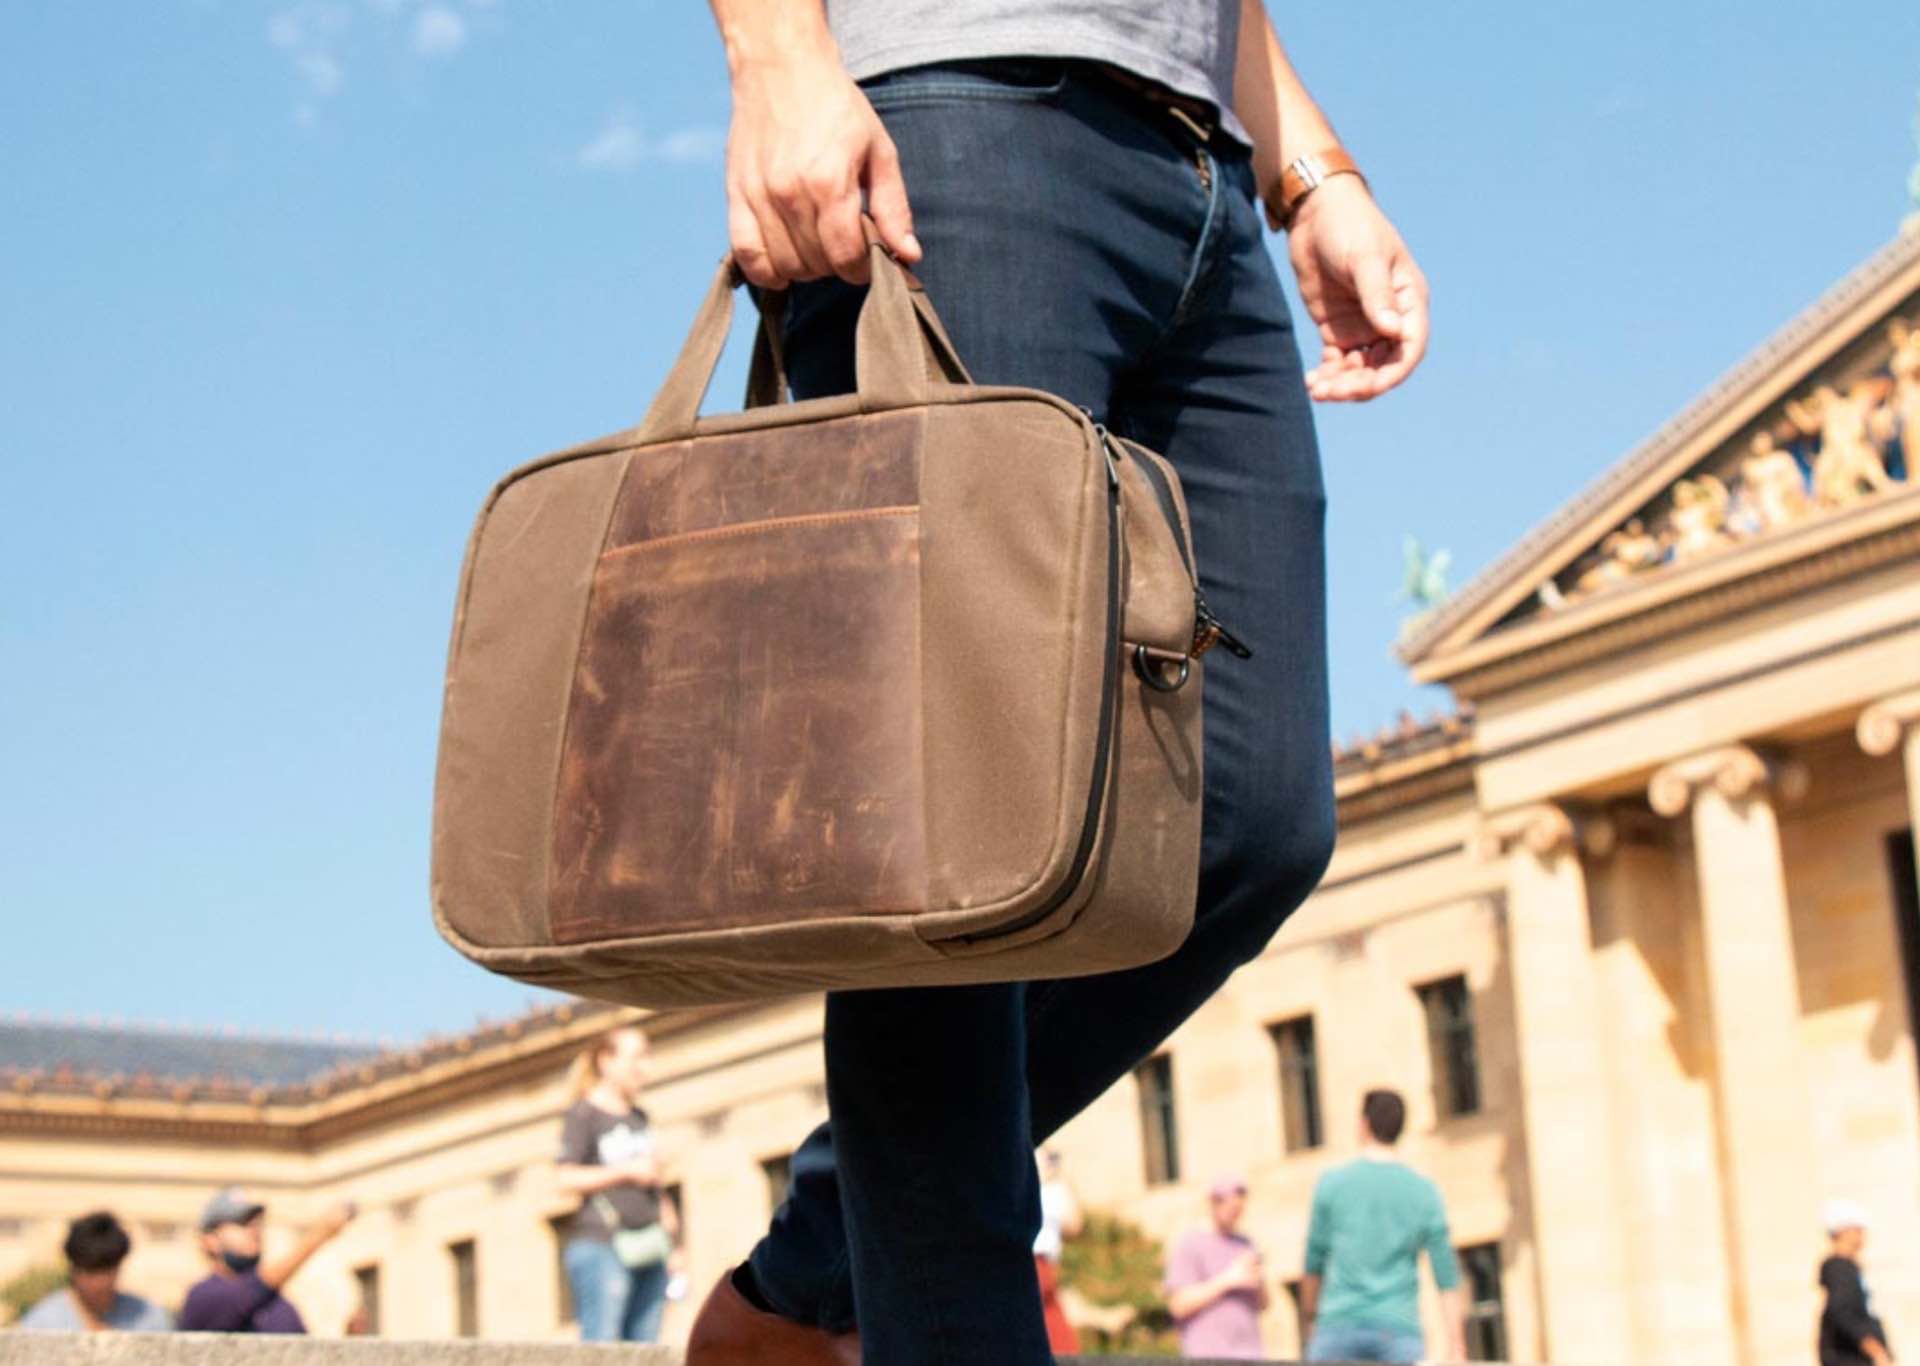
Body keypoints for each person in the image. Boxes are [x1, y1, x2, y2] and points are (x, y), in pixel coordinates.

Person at [686, 0, 1428, 1360]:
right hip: (960, 118)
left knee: (1256, 820)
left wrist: (1308, 171)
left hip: (1201, 168)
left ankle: (819, 1250)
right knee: (965, 840)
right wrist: (779, 59)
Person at [1300, 1090, 1464, 1363]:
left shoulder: (1332, 1184)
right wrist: (1456, 1345)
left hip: (1339, 1325)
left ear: (1364, 1125)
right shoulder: (1423, 1191)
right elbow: (1445, 1273)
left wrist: (1310, 1318)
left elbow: (1313, 1262)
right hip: (1397, 1329)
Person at [554, 1023, 685, 1343]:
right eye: (637, 1057)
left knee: (646, 1348)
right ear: (606, 1061)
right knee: (604, 1347)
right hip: (602, 1245)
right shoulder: (584, 1114)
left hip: (651, 1245)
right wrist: (626, 1171)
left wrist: (675, 1244)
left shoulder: (639, 1116)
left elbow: (654, 1186)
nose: (646, 1068)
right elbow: (563, 1176)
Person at [177, 1187, 354, 1334]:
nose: (254, 1230)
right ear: (210, 1240)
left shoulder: (278, 1302)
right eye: (242, 1223)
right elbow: (255, 1289)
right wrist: (321, 1233)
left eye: (257, 1223)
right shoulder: (203, 1295)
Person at [1165, 1176, 1271, 1360]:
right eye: (1229, 1206)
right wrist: (1228, 1280)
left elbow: (1264, 1304)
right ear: (1214, 1203)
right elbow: (1178, 1305)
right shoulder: (1190, 1243)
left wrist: (1258, 1280)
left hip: (1250, 1354)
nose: (1234, 1213)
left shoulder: (1245, 1244)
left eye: (1238, 1208)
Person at [16, 1211, 172, 1333]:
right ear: (72, 1269)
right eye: (90, 1272)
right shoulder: (42, 1323)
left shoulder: (148, 1318)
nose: (99, 1283)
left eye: (106, 1271)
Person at [1819, 1199, 1895, 1366]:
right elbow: (1841, 1312)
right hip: (1850, 1359)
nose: (1862, 1235)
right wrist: (1875, 1350)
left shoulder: (1848, 1267)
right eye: (1857, 1229)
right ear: (1842, 1231)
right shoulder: (1839, 1269)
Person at [1033, 1148, 1084, 1353]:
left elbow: (1074, 1225)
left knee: (1056, 1333)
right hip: (1031, 1262)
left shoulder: (1053, 1189)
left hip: (1045, 1264)